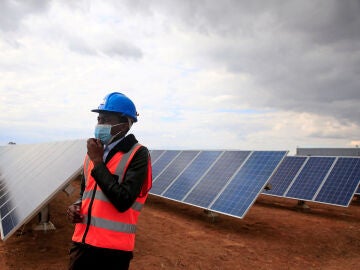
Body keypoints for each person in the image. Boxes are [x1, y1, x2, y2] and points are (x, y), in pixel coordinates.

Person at [67, 92, 152, 270]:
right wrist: (76, 206)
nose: (100, 125)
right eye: (99, 119)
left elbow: (124, 201)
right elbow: (86, 192)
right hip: (82, 244)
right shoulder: (93, 153)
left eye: (106, 119)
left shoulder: (138, 154)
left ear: (124, 124)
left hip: (112, 252)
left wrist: (98, 162)